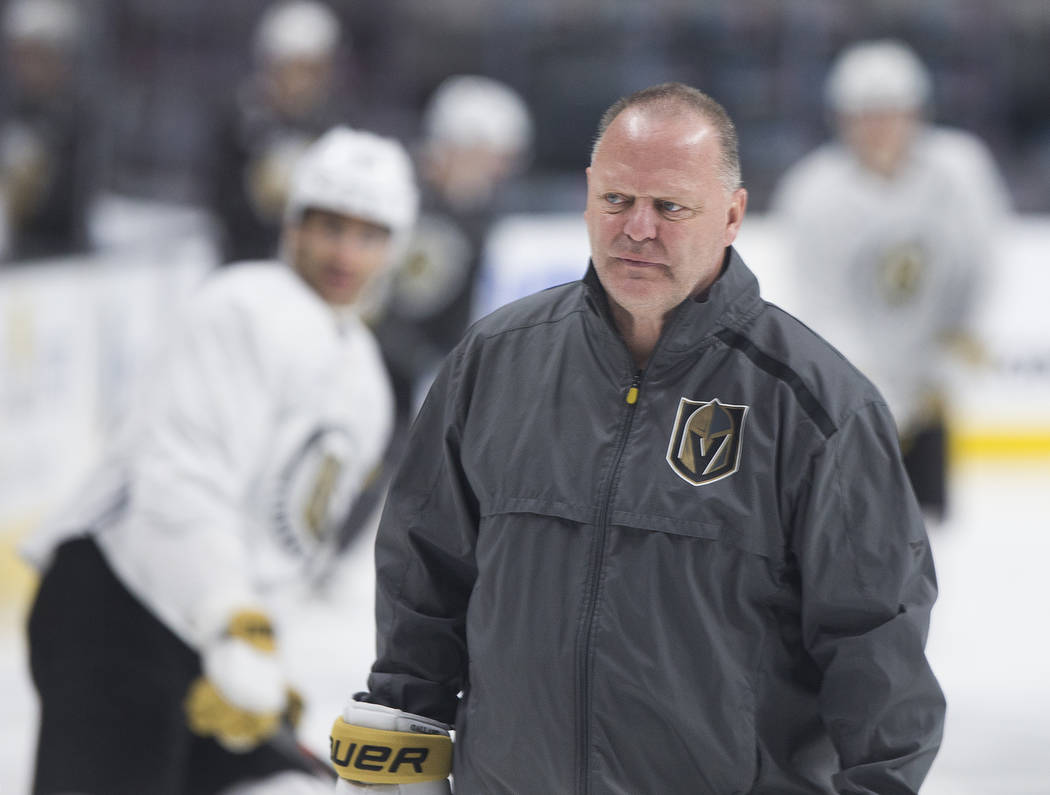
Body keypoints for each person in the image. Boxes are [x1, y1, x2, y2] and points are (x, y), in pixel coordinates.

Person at [328, 83, 945, 793]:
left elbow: (878, 653)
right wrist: (401, 749)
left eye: (671, 206)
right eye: (617, 200)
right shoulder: (494, 363)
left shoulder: (815, 406)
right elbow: (423, 585)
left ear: (733, 214)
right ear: (588, 196)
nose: (637, 228)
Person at [20, 126, 418, 795]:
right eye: (330, 226)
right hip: (118, 604)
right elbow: (182, 479)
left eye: (369, 234)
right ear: (295, 225)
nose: (346, 251)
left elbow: (286, 536)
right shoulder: (244, 306)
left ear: (395, 247)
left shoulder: (365, 376)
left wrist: (256, 643)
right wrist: (230, 617)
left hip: (203, 632)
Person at [770, 39, 1012, 523]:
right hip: (856, 392)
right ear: (841, 118)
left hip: (930, 382)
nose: (880, 128)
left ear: (917, 113)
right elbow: (822, 303)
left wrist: (957, 349)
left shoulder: (961, 170)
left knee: (929, 530)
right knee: (855, 525)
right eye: (866, 115)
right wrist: (869, 391)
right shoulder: (813, 192)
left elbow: (984, 265)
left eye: (892, 112)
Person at [374, 74, 533, 423]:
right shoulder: (404, 205)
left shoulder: (467, 216)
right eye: (493, 158)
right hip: (382, 388)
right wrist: (423, 364)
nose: (499, 173)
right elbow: (386, 315)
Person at [208, 0, 352, 265]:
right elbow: (227, 210)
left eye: (311, 70)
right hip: (249, 267)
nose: (299, 82)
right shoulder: (240, 128)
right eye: (289, 68)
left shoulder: (339, 135)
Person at [0, 0, 97, 260]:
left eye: (37, 55)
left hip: (58, 264)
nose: (25, 66)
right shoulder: (16, 112)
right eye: (20, 55)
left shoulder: (75, 123)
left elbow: (62, 208)